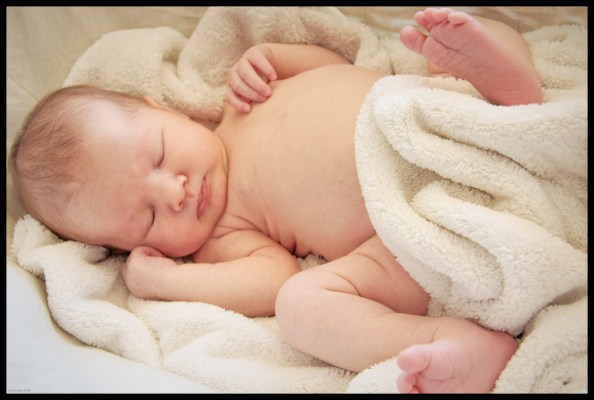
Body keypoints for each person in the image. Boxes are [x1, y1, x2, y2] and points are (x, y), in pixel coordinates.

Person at [9, 8, 542, 393]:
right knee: (300, 307)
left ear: (164, 109)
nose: (175, 192)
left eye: (159, 154)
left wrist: (273, 57)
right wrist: (167, 282)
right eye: (147, 217)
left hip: (430, 116)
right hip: (408, 232)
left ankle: (509, 90)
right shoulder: (222, 234)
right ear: (131, 248)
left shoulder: (242, 97)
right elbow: (271, 280)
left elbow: (332, 65)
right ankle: (448, 343)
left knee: (453, 49)